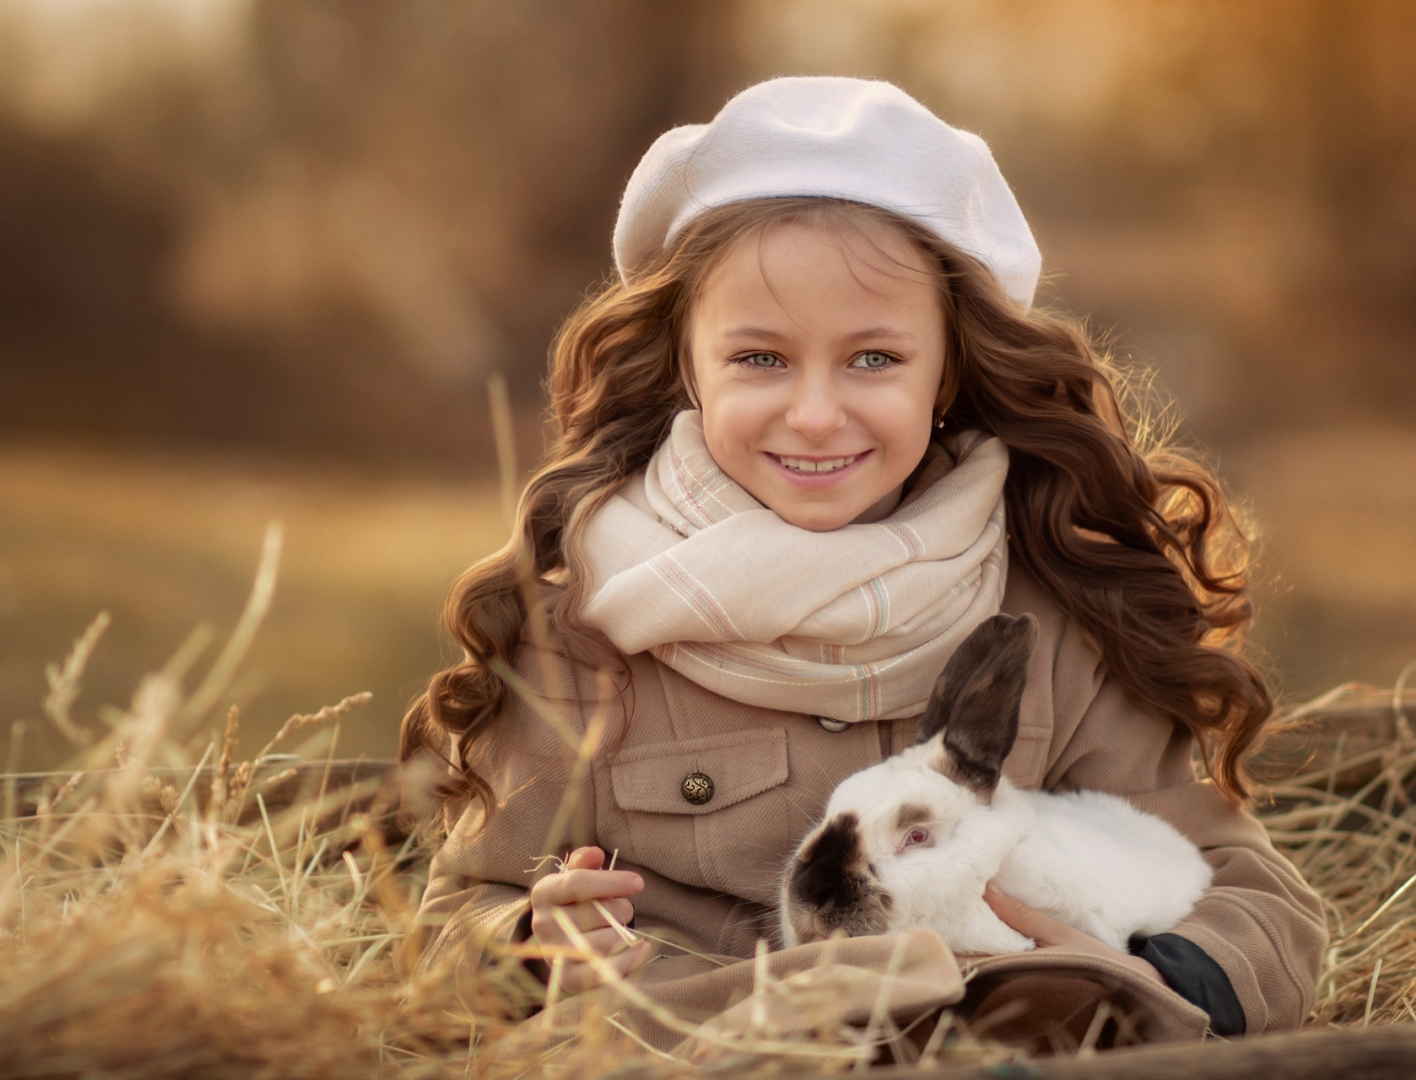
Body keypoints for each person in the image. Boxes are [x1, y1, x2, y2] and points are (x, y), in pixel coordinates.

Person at [399, 77, 1325, 1057]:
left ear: (949, 371)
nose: (814, 413)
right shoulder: (578, 637)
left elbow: (1250, 896)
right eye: (760, 359)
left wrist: (1135, 981)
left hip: (985, 1047)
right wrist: (533, 945)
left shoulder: (1052, 627)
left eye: (874, 359)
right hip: (690, 1053)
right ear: (686, 364)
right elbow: (445, 923)